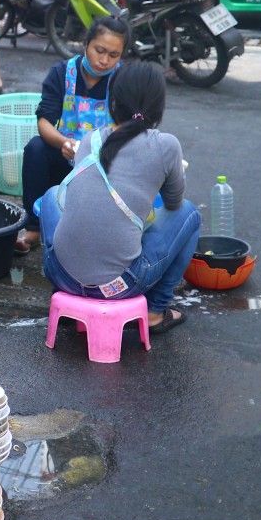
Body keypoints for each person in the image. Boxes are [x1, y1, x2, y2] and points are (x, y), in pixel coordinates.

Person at [38, 62, 200, 335]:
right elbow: (173, 203)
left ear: (113, 102)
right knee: (190, 213)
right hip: (118, 286)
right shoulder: (165, 145)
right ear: (158, 106)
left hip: (61, 274)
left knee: (52, 194)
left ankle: (66, 303)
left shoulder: (90, 140)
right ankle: (155, 311)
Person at [14, 16, 131, 255]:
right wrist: (64, 142)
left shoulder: (123, 79)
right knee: (36, 149)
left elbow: (130, 125)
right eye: (100, 50)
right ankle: (34, 229)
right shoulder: (62, 73)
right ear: (86, 43)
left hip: (104, 163)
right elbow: (44, 120)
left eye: (113, 55)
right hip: (66, 154)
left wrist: (99, 148)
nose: (104, 60)